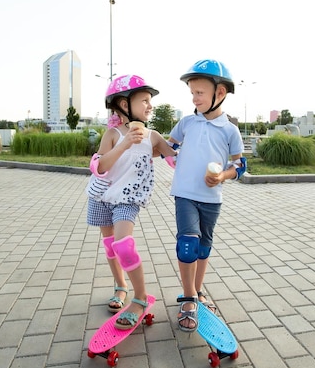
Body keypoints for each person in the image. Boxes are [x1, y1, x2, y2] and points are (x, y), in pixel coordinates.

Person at [86, 74, 177, 330]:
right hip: (103, 195)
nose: (150, 105)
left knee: (124, 245)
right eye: (145, 100)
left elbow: (173, 158)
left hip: (128, 199)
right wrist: (124, 143)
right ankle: (120, 286)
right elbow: (100, 166)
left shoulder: (153, 136)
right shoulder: (113, 134)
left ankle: (139, 298)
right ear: (123, 104)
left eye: (150, 101)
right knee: (110, 245)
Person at [167, 59, 247, 332]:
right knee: (188, 243)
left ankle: (197, 291)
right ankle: (189, 298)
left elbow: (240, 165)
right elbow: (168, 146)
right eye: (192, 93)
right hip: (185, 194)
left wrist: (222, 176)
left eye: (199, 93)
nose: (194, 98)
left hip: (212, 199)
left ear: (220, 93)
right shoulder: (187, 122)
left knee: (203, 248)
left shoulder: (229, 130)